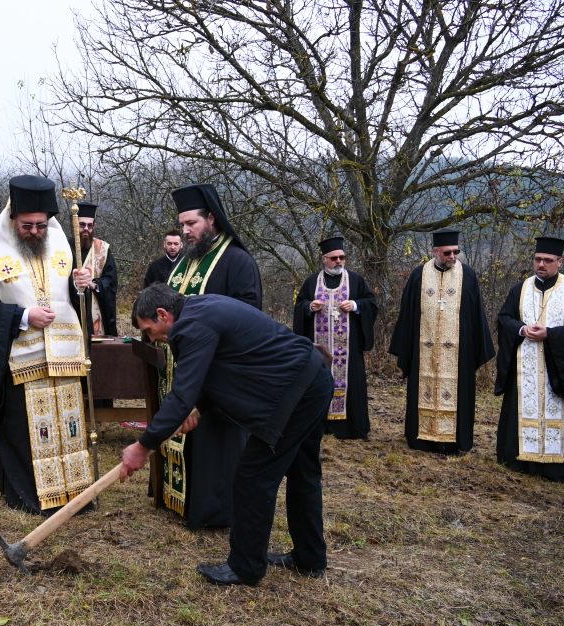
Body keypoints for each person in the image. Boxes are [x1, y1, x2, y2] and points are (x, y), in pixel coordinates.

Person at [120, 284, 332, 586]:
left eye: (149, 330)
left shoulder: (190, 327)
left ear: (163, 314)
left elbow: (181, 395)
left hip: (296, 394)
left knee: (253, 476)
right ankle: (309, 558)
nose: (152, 338)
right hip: (314, 378)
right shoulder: (201, 310)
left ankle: (245, 567)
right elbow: (222, 368)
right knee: (303, 471)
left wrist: (142, 447)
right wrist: (199, 409)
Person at [0, 175, 95, 514]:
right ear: (12, 217)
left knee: (68, 425)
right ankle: (32, 494)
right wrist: (23, 316)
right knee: (30, 432)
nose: (36, 232)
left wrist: (83, 284)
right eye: (28, 225)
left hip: (63, 357)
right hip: (21, 360)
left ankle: (74, 492)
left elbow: (72, 295)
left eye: (42, 225)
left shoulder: (63, 244)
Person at [155, 183, 263, 529]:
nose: (185, 231)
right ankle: (181, 502)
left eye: (192, 224)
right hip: (184, 370)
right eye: (182, 225)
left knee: (216, 444)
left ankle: (215, 512)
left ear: (212, 219)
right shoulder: (185, 262)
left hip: (219, 373)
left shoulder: (237, 260)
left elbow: (249, 319)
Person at [495, 237, 564, 483]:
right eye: (538, 259)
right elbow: (504, 318)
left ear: (559, 262)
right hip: (524, 366)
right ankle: (519, 460)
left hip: (556, 367)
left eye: (548, 260)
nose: (541, 264)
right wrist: (522, 329)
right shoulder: (520, 288)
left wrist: (550, 334)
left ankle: (555, 468)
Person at [388, 229, 495, 454]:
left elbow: (476, 316)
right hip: (423, 353)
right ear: (435, 251)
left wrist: (474, 348)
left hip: (458, 353)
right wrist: (406, 348)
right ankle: (421, 438)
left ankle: (454, 440)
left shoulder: (468, 275)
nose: (453, 257)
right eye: (447, 253)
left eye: (456, 252)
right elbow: (407, 316)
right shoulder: (419, 275)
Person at [293, 236, 378, 439]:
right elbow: (299, 306)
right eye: (334, 258)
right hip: (319, 347)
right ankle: (318, 425)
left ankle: (350, 427)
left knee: (350, 383)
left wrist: (356, 305)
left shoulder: (356, 280)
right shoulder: (312, 282)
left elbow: (371, 302)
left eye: (342, 257)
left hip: (348, 348)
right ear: (324, 260)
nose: (339, 261)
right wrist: (309, 307)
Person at [73, 202, 118, 337]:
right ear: (75, 224)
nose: (86, 228)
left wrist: (94, 284)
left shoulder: (102, 249)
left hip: (95, 312)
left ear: (94, 226)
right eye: (82, 224)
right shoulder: (63, 248)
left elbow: (111, 282)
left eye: (90, 225)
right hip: (72, 311)